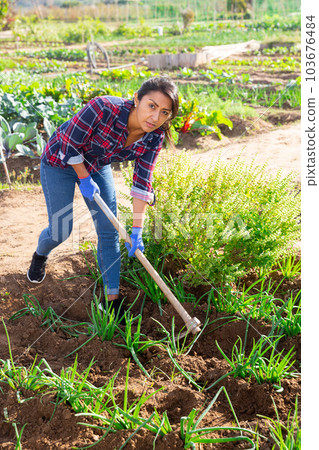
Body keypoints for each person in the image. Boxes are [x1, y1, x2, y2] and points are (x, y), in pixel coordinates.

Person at [27, 76, 179, 318]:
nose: (155, 117)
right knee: (60, 231)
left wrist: (137, 230)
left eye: (164, 112)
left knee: (110, 231)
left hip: (96, 164)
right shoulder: (103, 108)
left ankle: (112, 301)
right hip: (60, 160)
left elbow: (142, 182)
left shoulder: (154, 137)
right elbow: (70, 142)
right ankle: (40, 255)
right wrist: (84, 178)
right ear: (137, 99)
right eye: (151, 106)